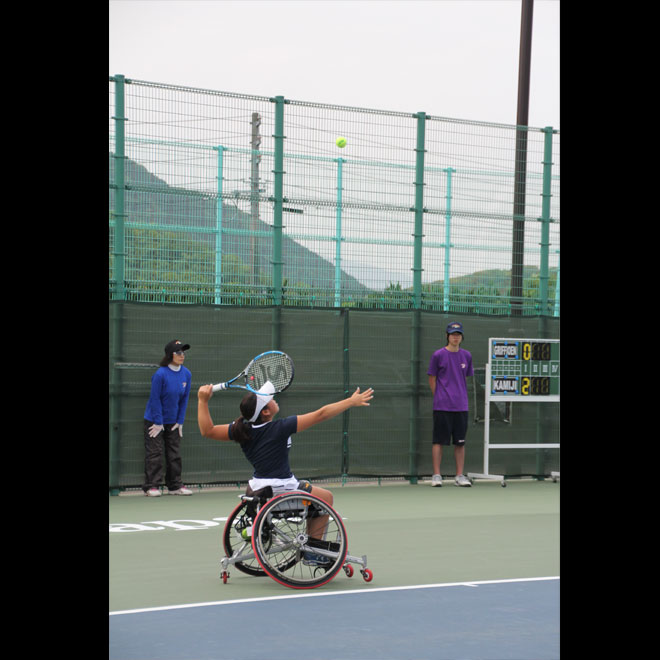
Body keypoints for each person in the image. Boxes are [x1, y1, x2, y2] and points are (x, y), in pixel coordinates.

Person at [197, 381, 374, 565]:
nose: (274, 399)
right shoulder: (281, 427)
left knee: (312, 492)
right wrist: (351, 401)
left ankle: (305, 544)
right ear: (265, 412)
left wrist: (202, 401)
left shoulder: (241, 428)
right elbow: (321, 414)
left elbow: (207, 430)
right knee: (326, 498)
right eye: (270, 399)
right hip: (281, 490)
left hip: (258, 490)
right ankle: (314, 551)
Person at [143, 340, 193, 496]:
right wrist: (158, 422)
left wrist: (180, 421)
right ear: (170, 355)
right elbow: (155, 399)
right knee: (155, 453)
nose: (182, 355)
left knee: (174, 453)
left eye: (183, 352)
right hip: (154, 421)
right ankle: (152, 486)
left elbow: (184, 399)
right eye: (178, 352)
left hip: (173, 422)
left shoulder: (187, 374)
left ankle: (175, 486)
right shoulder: (160, 374)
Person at [427, 321, 474, 487]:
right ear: (447, 336)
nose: (456, 337)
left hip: (461, 407)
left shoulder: (467, 356)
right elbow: (432, 378)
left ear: (461, 337)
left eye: (458, 335)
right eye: (453, 334)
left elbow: (465, 377)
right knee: (438, 441)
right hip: (442, 406)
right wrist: (440, 396)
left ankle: (459, 475)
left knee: (460, 443)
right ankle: (437, 475)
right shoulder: (438, 355)